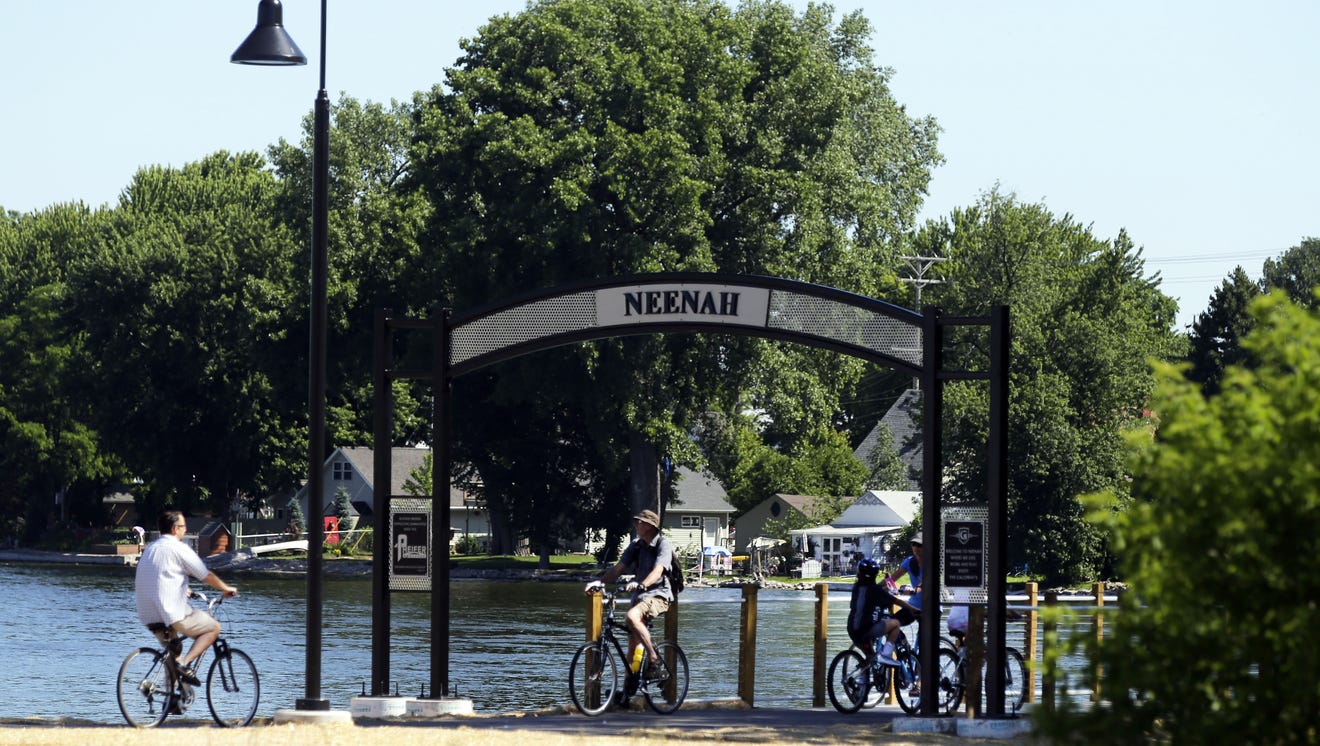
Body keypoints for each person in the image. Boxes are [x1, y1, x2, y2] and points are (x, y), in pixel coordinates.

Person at [135, 511, 238, 686]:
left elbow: (160, 576)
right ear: (175, 529)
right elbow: (205, 575)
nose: (185, 530)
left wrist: (183, 589)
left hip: (147, 613)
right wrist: (225, 588)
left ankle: (172, 700)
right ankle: (185, 664)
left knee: (174, 651)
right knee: (213, 628)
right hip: (170, 611)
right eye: (183, 527)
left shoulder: (151, 548)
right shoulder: (178, 548)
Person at [584, 509, 674, 675]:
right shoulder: (636, 546)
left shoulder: (663, 544)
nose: (635, 524)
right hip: (639, 597)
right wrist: (600, 582)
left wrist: (642, 584)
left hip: (658, 595)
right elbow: (618, 568)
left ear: (649, 525)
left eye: (638, 522)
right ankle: (627, 691)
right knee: (632, 648)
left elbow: (658, 570)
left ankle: (655, 659)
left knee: (631, 617)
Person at [847, 558, 919, 668]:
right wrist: (912, 609)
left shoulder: (856, 587)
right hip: (867, 630)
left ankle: (862, 682)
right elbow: (897, 601)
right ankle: (886, 655)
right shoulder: (876, 591)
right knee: (895, 623)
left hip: (852, 630)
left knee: (870, 659)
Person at [886, 532, 924, 610]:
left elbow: (921, 587)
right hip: (913, 604)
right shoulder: (909, 562)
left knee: (926, 621)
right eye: (913, 544)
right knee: (894, 621)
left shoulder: (931, 563)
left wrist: (900, 592)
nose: (916, 548)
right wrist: (877, 587)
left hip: (930, 607)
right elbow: (892, 579)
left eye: (919, 545)